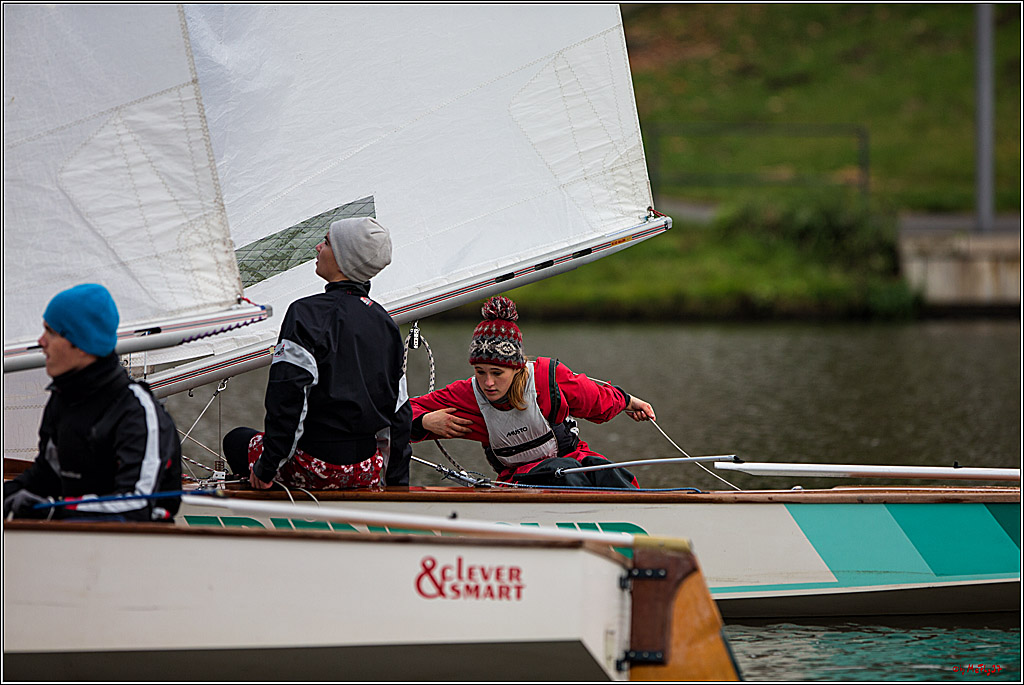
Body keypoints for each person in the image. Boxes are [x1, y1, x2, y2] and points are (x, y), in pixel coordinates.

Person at [223, 216, 412, 490]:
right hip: (365, 471)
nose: (317, 247)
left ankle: (277, 509)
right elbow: (399, 412)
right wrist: (397, 486)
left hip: (315, 467)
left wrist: (267, 466)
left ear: (343, 258)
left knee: (236, 440)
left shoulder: (305, 314)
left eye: (325, 242)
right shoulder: (386, 324)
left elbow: (288, 396)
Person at [410, 295, 656, 488]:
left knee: (606, 473)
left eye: (497, 373)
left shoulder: (547, 378)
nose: (488, 383)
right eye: (480, 371)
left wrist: (628, 402)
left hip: (575, 461)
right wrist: (424, 421)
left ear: (517, 369)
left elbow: (596, 400)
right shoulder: (467, 395)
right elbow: (403, 411)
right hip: (520, 479)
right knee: (562, 474)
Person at [3, 283, 183, 521]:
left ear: (81, 346)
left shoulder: (137, 411)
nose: (41, 341)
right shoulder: (62, 398)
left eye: (51, 332)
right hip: (71, 542)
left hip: (135, 549)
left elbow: (136, 506)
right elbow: (46, 477)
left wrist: (54, 513)